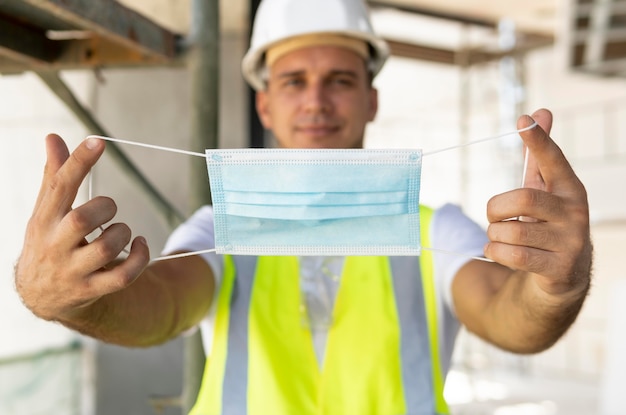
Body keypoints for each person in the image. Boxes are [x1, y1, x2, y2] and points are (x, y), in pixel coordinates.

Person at [14, 0, 592, 413]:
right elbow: (160, 306)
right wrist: (66, 300)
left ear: (371, 100)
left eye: (339, 80)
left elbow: (505, 316)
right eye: (294, 81)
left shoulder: (436, 229)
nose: (316, 100)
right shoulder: (221, 226)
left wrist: (554, 286)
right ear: (264, 105)